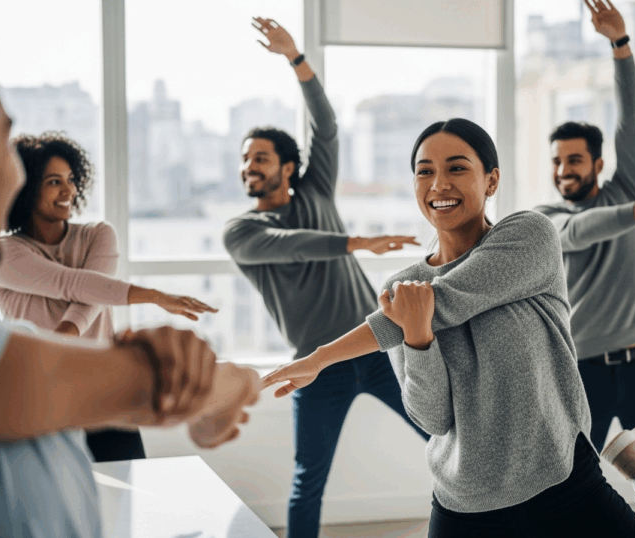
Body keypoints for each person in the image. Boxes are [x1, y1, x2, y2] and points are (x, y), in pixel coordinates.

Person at [263, 117, 635, 537]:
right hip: (464, 504)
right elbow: (432, 418)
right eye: (425, 171)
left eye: (456, 168)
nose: (439, 184)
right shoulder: (400, 291)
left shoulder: (529, 236)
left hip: (561, 480)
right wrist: (417, 339)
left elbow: (446, 299)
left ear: (491, 180)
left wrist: (320, 358)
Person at [0, 21, 260, 537]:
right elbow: (153, 380)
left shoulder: (91, 240)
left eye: (68, 181)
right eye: (4, 140)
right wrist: (209, 383)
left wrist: (161, 373)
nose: (17, 175)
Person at [222, 17, 429, 538]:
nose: (249, 166)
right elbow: (291, 246)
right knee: (307, 481)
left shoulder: (315, 192)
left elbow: (326, 127)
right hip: (316, 366)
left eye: (260, 157)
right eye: (245, 159)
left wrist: (296, 59)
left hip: (377, 348)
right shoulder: (241, 231)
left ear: (288, 167)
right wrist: (354, 243)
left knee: (446, 440)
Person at [533, 2, 635, 535]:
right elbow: (581, 231)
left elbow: (632, 122)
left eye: (574, 159)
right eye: (557, 161)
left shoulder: (625, 188)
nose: (564, 170)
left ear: (598, 164)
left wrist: (621, 44)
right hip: (582, 373)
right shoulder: (546, 218)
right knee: (571, 487)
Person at [0, 131, 216, 463]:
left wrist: (61, 339)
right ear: (26, 188)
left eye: (70, 180)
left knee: (131, 489)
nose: (68, 190)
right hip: (40, 395)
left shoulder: (98, 235)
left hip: (106, 393)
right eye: (54, 182)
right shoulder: (3, 254)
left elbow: (92, 296)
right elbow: (70, 283)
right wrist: (154, 296)